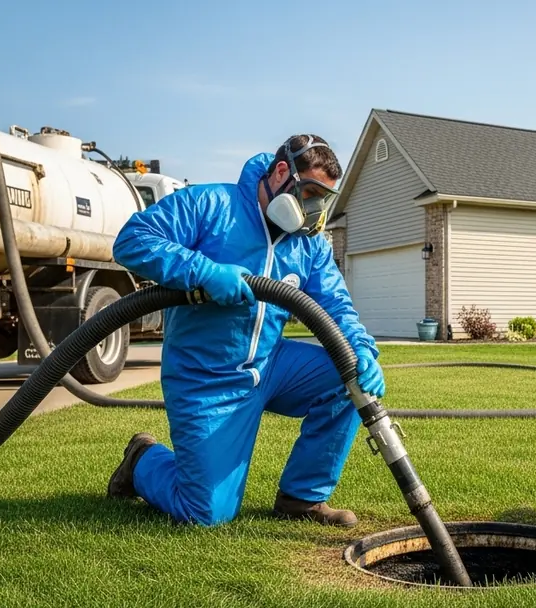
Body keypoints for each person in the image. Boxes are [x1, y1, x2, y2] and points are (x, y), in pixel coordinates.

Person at [103, 135, 384, 529]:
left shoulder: (308, 245)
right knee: (206, 514)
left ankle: (301, 499)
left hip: (270, 365)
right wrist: (204, 271)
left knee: (347, 374)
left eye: (324, 198)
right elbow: (132, 241)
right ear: (282, 172)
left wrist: (360, 349)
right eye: (310, 192)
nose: (314, 208)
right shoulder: (211, 204)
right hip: (207, 377)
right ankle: (142, 461)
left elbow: (335, 305)